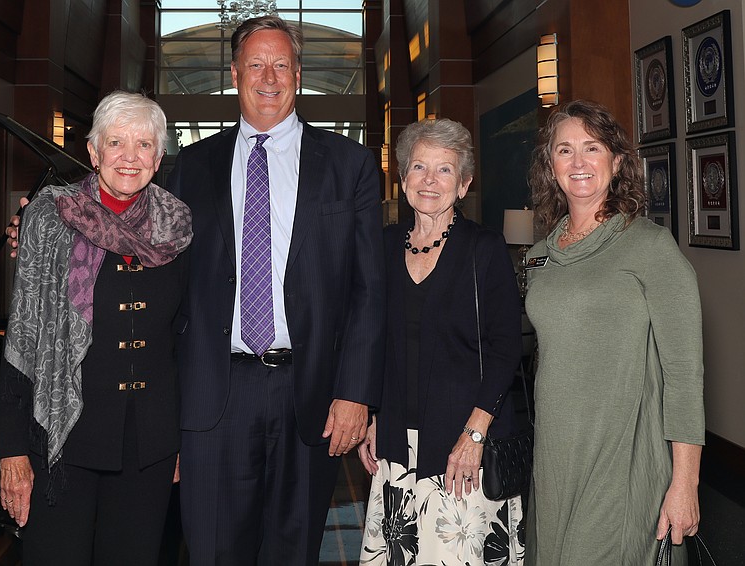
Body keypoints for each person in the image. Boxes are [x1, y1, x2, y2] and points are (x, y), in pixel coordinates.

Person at [166, 15, 385, 566]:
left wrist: (355, 391)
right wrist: (49, 224)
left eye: (281, 64)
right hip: (214, 396)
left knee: (294, 553)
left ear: (299, 73)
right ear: (235, 72)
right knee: (214, 552)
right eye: (256, 64)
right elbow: (147, 259)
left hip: (309, 397)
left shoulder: (349, 165)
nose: (269, 76)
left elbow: (368, 288)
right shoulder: (188, 168)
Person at [0, 90, 193, 565]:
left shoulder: (179, 227)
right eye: (116, 142)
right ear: (93, 151)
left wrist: (187, 438)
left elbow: (186, 340)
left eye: (144, 144)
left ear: (159, 155)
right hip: (64, 440)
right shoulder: (49, 218)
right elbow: (23, 334)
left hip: (149, 445)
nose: (130, 157)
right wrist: (11, 450)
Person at [523, 100, 704, 565]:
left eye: (592, 148)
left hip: (620, 454)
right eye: (565, 150)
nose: (579, 162)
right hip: (554, 455)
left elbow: (685, 377)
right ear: (550, 165)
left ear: (616, 161)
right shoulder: (539, 254)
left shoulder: (649, 246)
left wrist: (685, 485)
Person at [357, 119, 525, 565]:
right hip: (396, 447)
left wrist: (475, 433)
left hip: (462, 447)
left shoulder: (484, 249)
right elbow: (373, 341)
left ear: (464, 184)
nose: (429, 181)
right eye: (418, 167)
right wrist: (373, 414)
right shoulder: (384, 245)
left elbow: (507, 348)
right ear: (402, 177)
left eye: (445, 170)